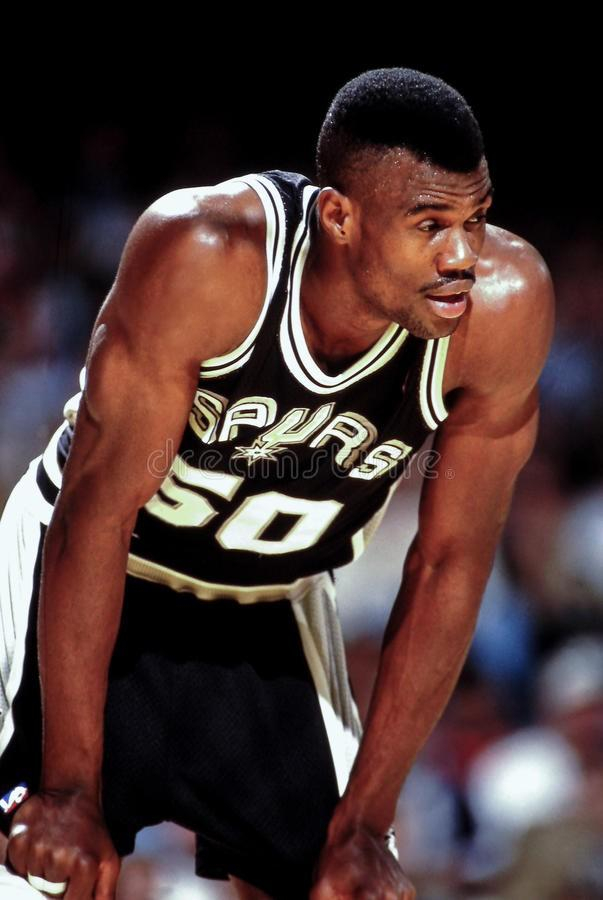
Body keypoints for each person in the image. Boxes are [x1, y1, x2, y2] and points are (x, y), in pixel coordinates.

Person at [0, 67, 554, 899]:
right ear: (338, 217)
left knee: (344, 883)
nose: (462, 256)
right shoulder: (207, 256)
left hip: (270, 605)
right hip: (97, 575)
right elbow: (96, 516)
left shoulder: (503, 309)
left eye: (475, 220)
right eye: (430, 225)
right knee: (48, 867)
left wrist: (365, 824)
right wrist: (69, 789)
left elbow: (450, 564)